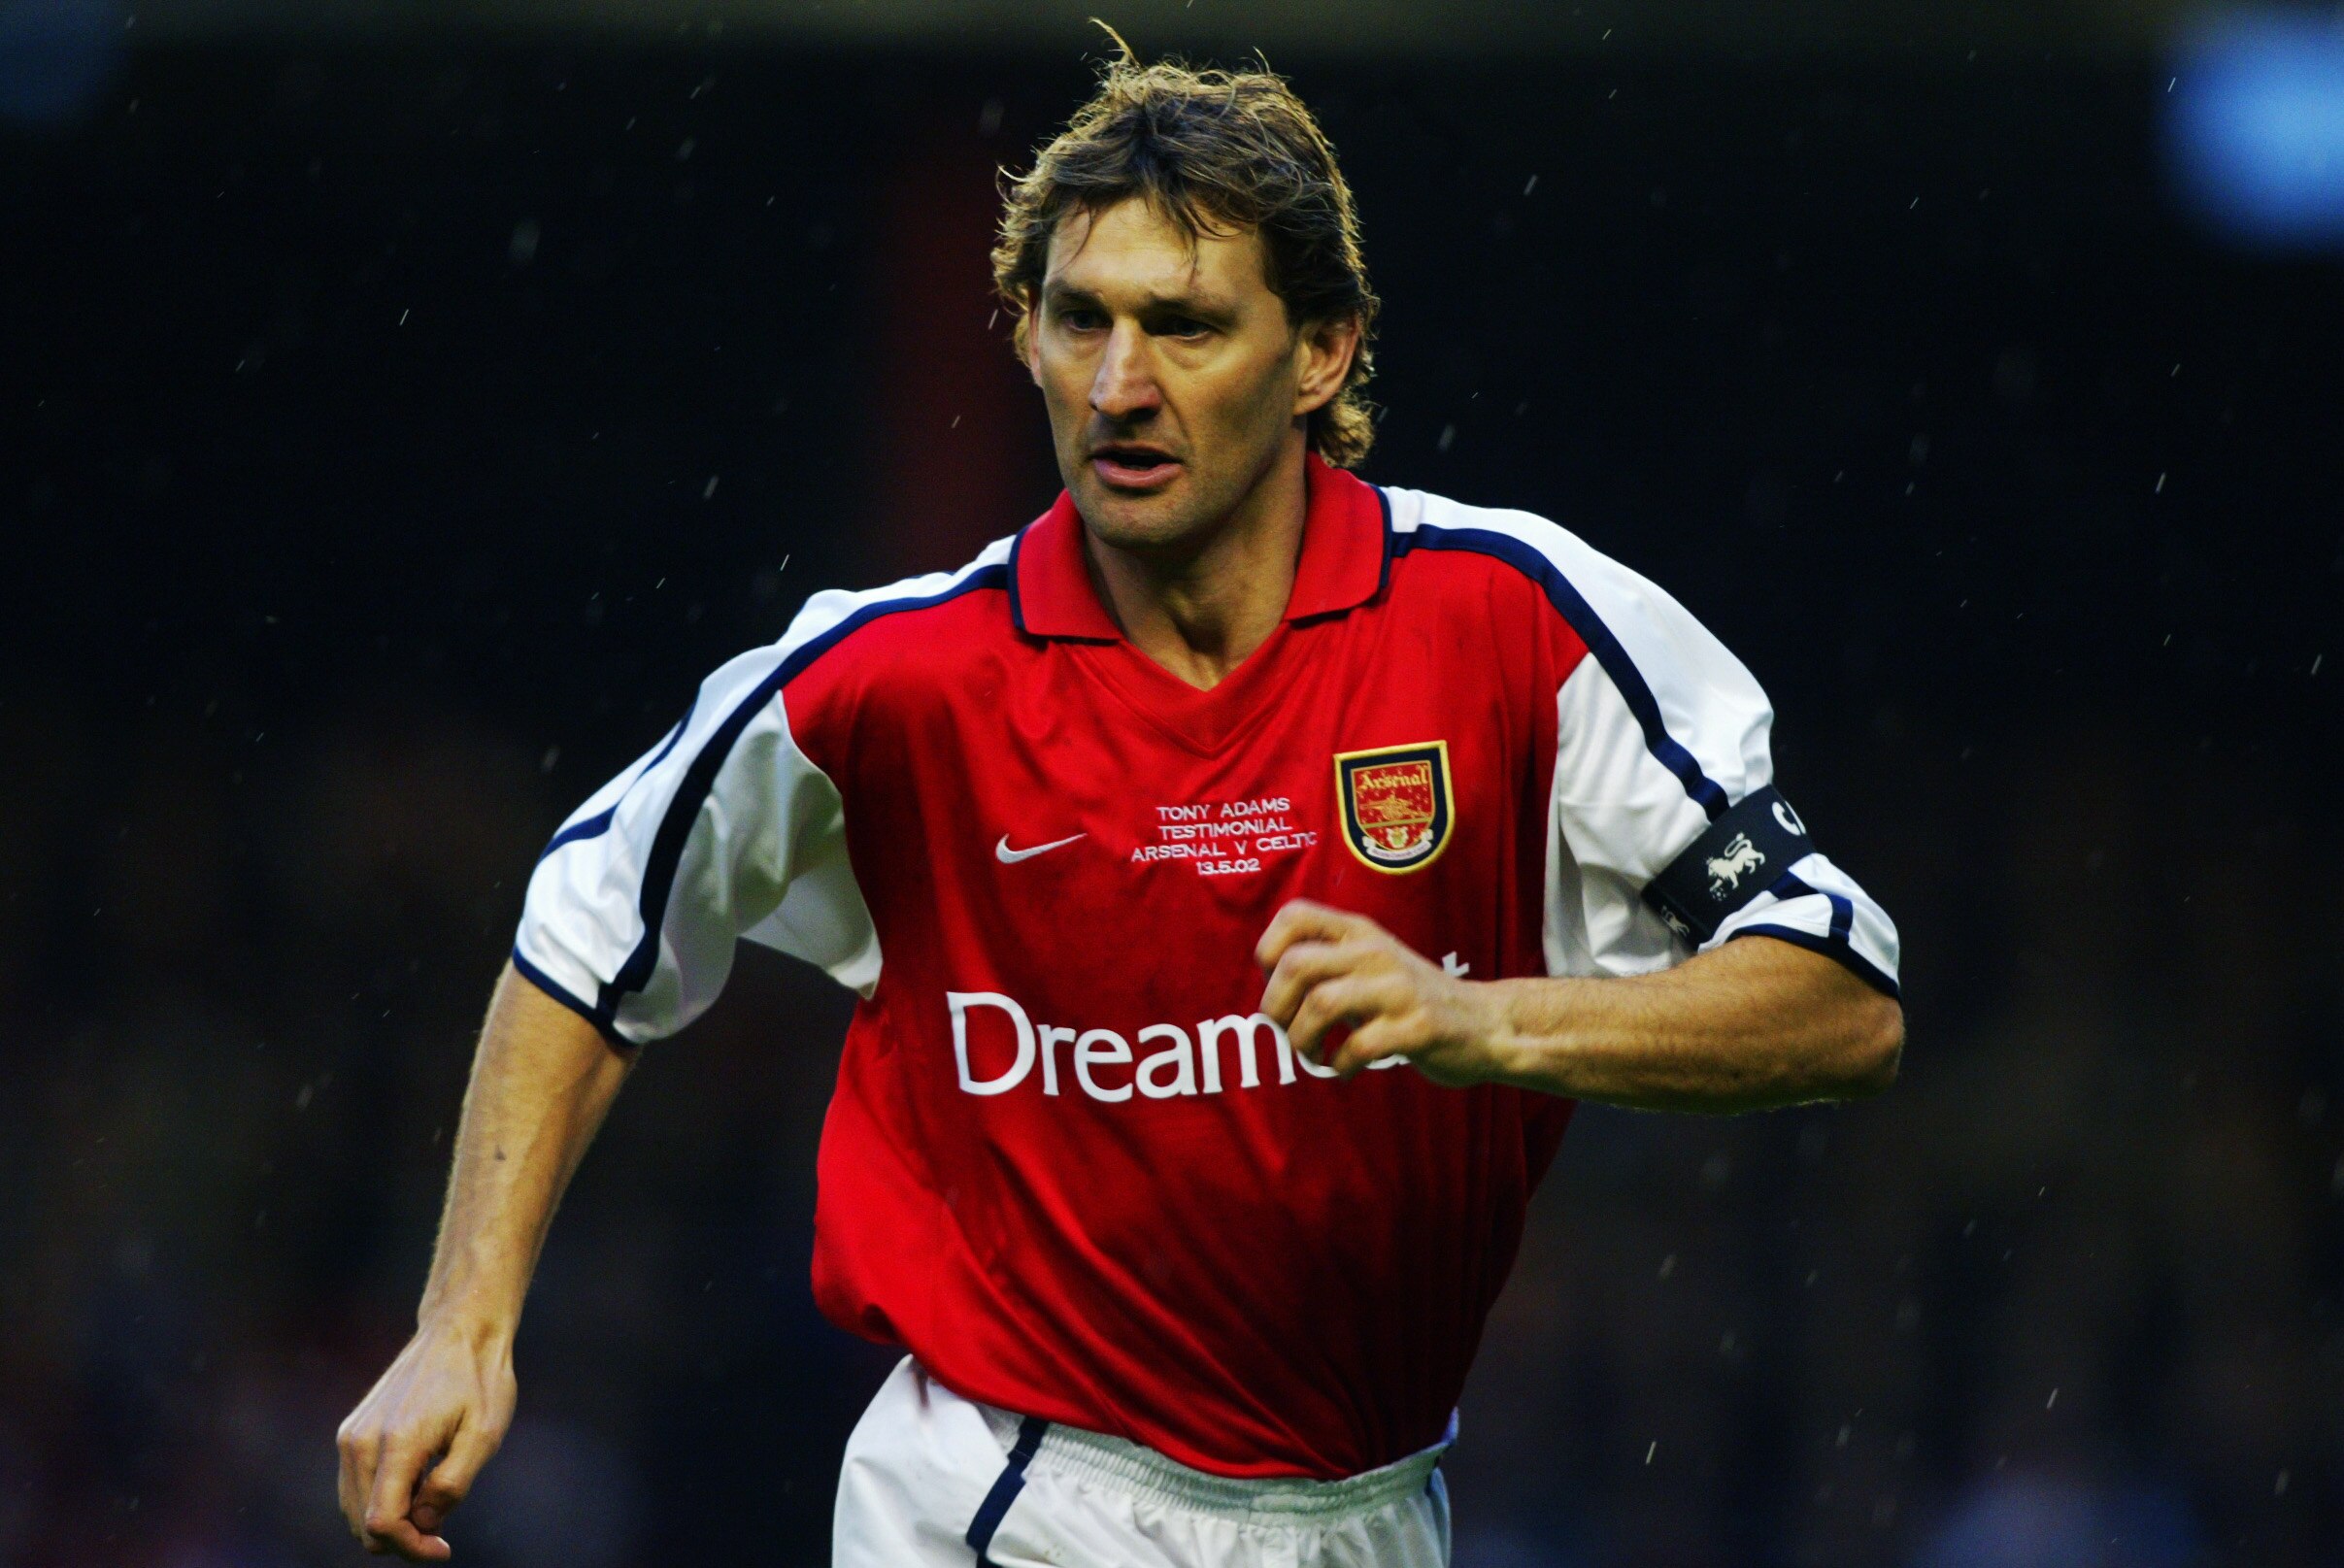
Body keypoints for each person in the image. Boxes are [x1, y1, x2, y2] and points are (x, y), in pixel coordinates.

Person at [335, 44, 1903, 1568]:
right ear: (1020, 335)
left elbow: (1843, 1001)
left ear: (1323, 352)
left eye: (1185, 326)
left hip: (1371, 1507)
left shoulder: (1516, 626)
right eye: (1077, 320)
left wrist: (1481, 1020)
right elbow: (591, 925)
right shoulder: (893, 679)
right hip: (1003, 1492)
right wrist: (458, 1328)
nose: (1119, 385)